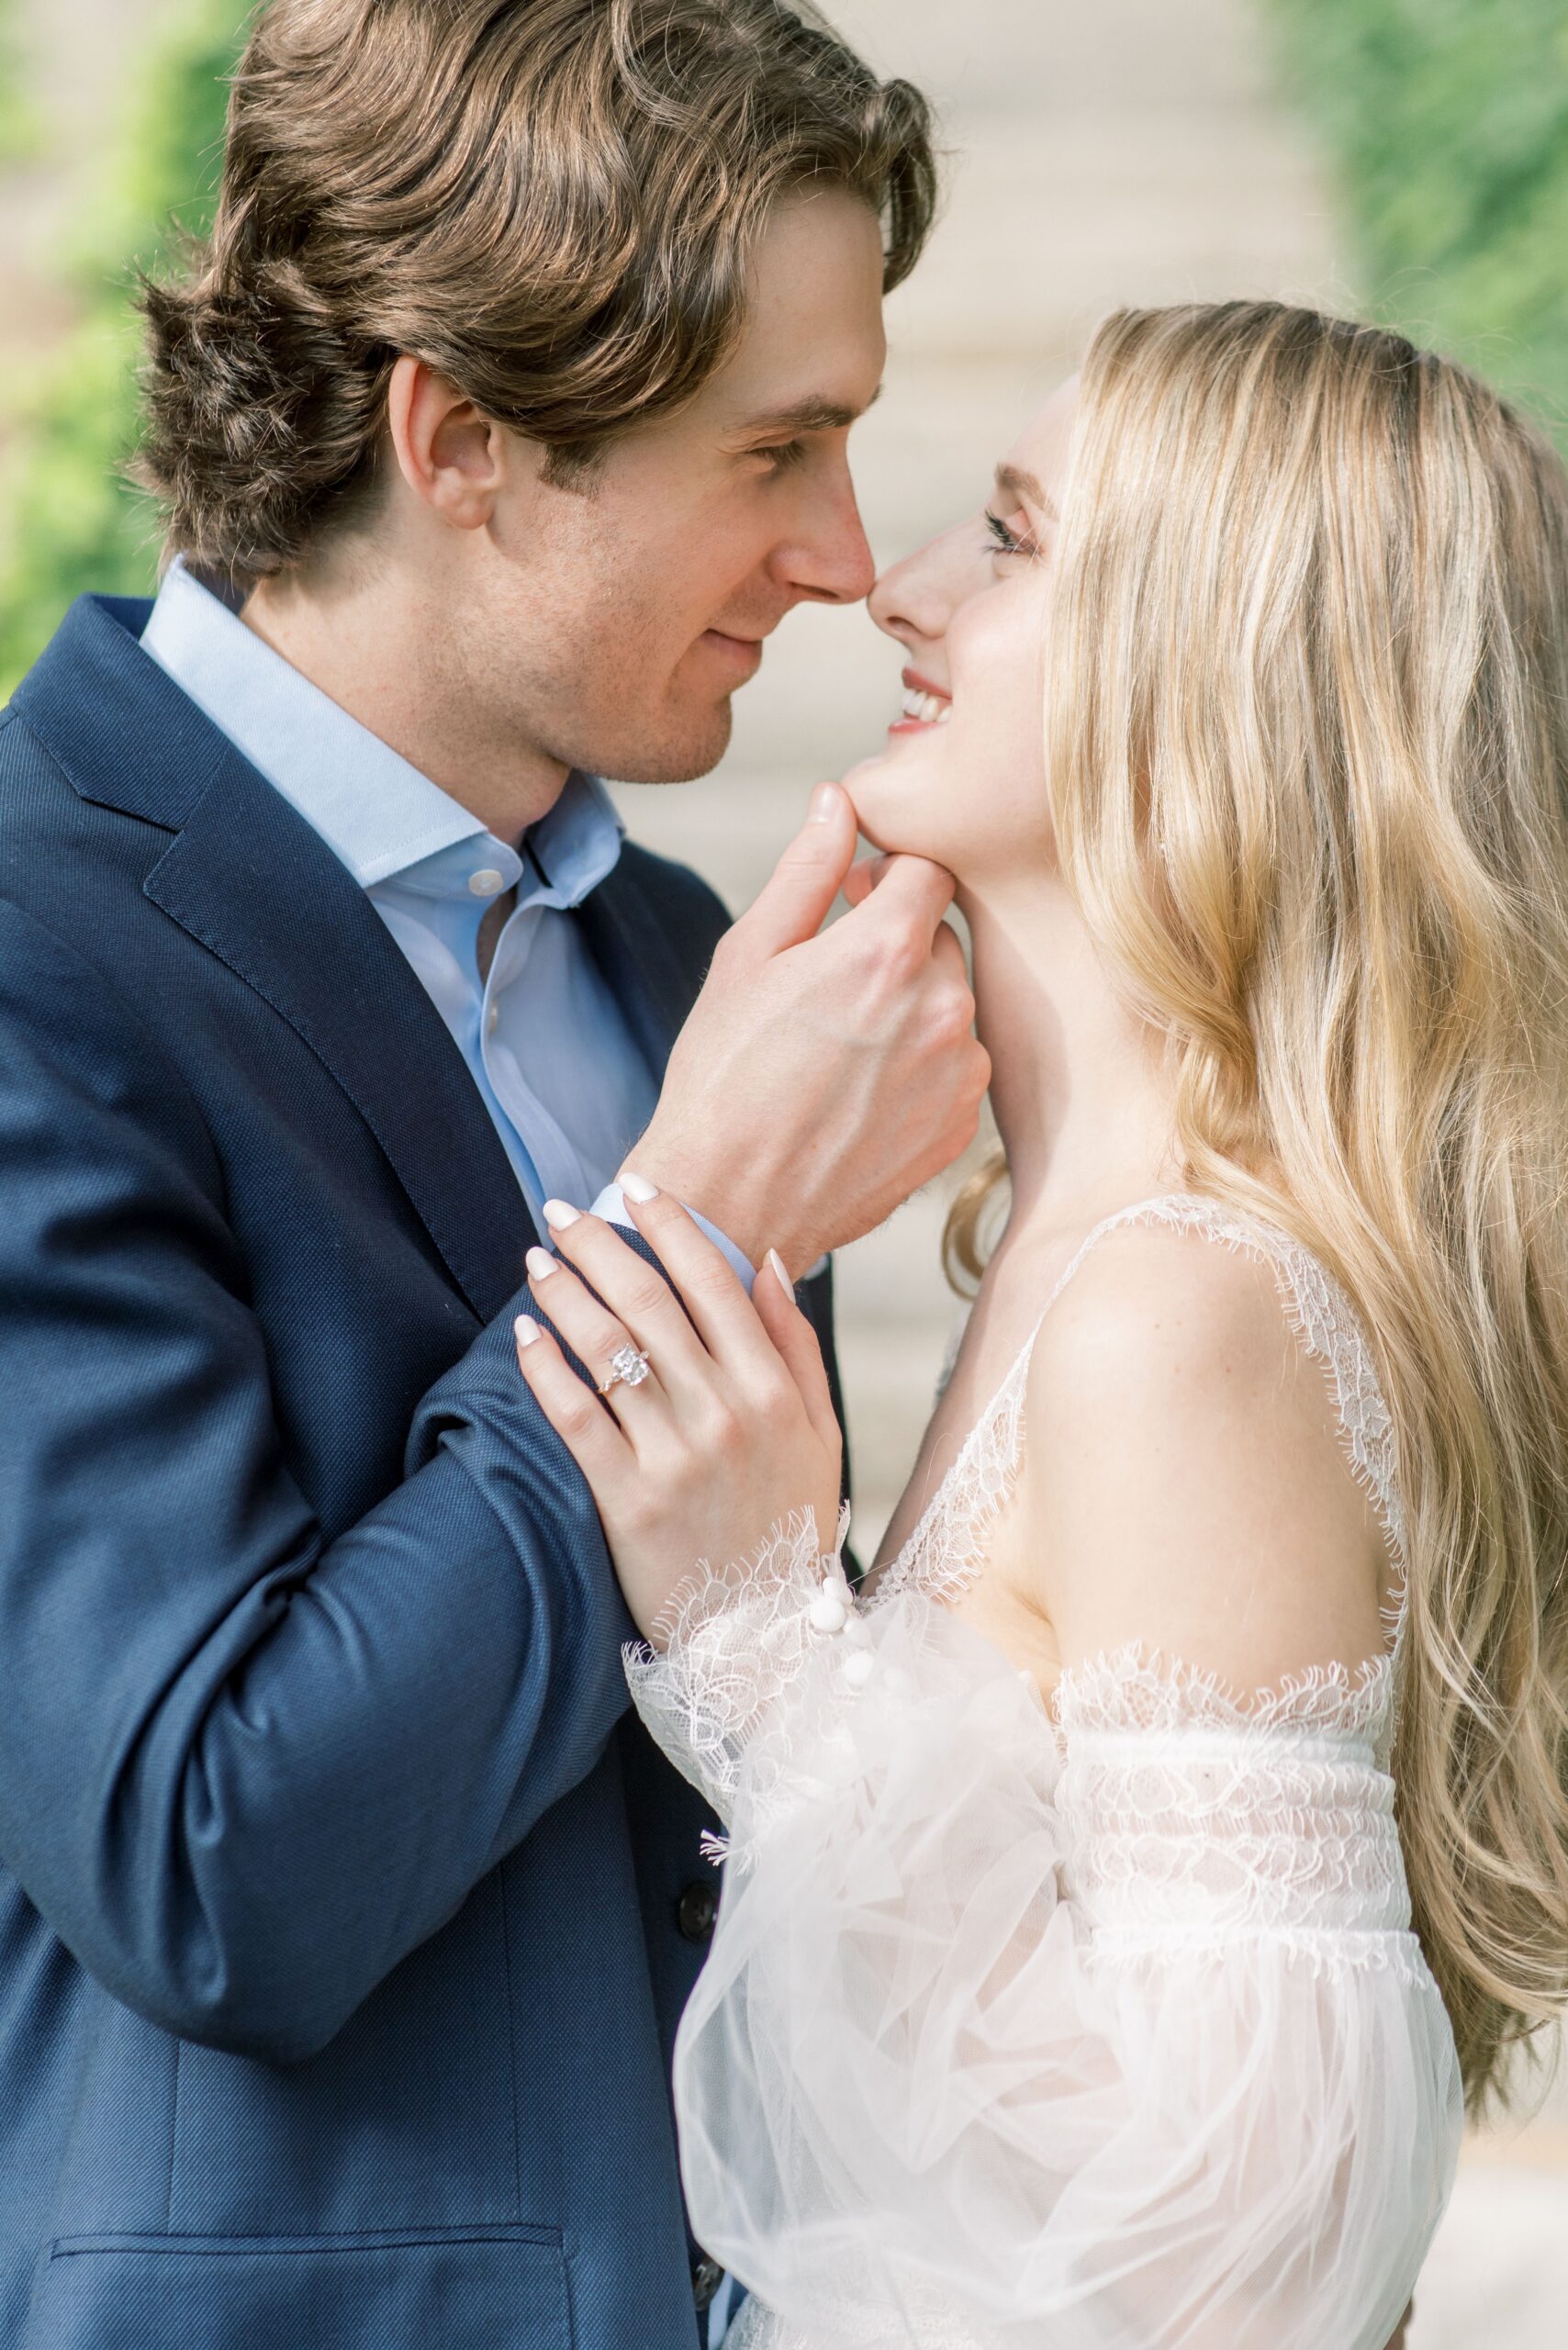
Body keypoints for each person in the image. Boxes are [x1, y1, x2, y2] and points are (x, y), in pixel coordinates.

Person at [0, 5, 992, 2345]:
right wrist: (700, 1219)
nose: (846, 558)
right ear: (459, 436)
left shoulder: (671, 957)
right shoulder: (38, 949)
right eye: (777, 446)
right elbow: (207, 1854)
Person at [514, 302, 1568, 2347]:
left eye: (1009, 540)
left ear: (1212, 673)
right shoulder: (1086, 1263)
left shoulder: (1178, 1312)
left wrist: (759, 1647)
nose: (900, 585)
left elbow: (1263, 2227)